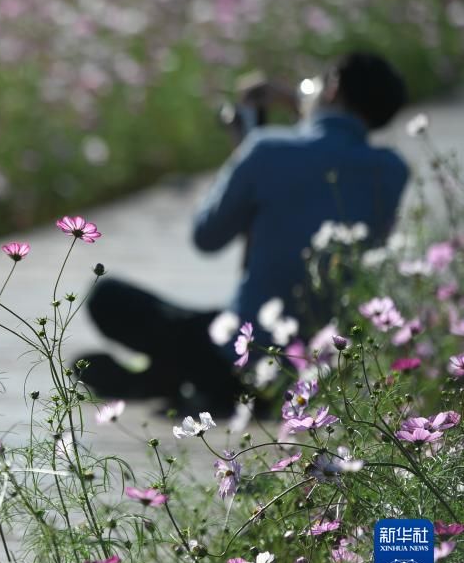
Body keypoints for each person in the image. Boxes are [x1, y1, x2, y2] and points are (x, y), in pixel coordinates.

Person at [78, 52, 410, 414]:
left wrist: (242, 154)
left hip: (241, 353)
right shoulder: (392, 171)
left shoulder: (266, 150)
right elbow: (330, 147)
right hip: (323, 364)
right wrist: (293, 106)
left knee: (107, 296)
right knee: (205, 325)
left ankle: (164, 380)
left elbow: (207, 237)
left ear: (332, 88)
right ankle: (168, 380)